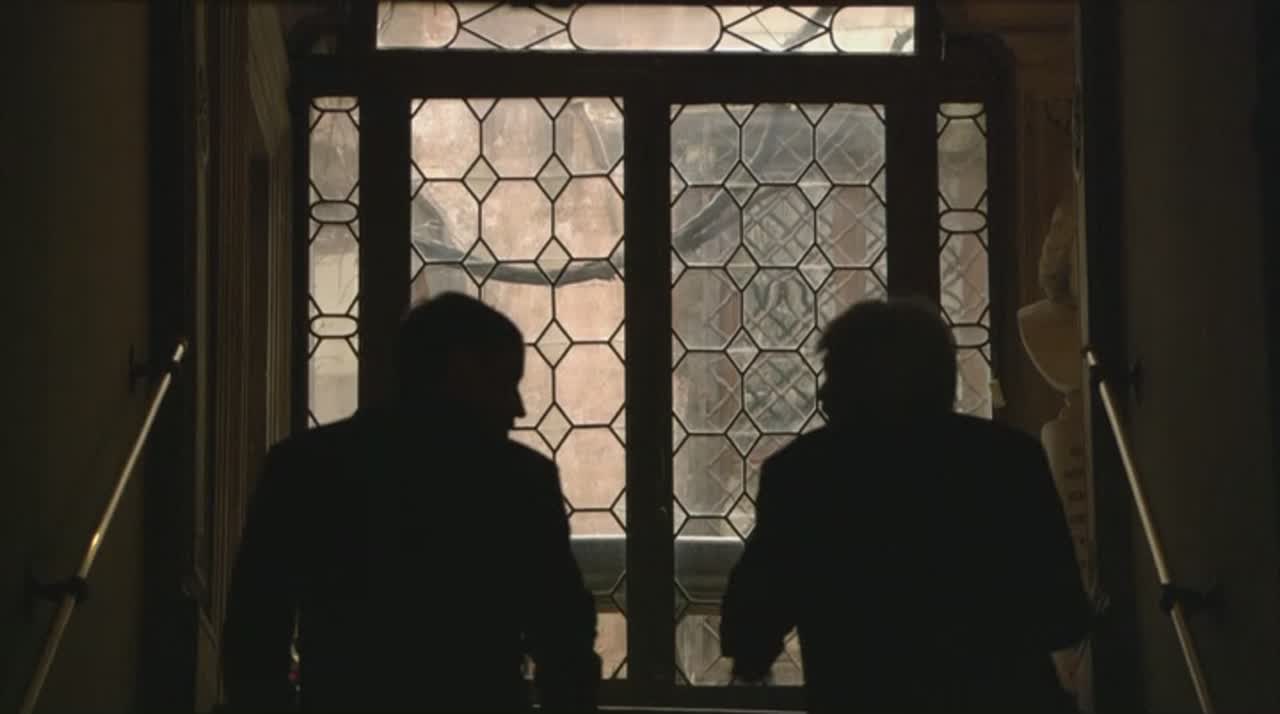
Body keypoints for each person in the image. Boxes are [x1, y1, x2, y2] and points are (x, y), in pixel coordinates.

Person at [222, 292, 600, 712]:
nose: (518, 407)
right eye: (504, 382)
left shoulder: (303, 467)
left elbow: (255, 629)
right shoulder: (521, 480)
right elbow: (563, 638)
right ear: (460, 371)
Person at [720, 298, 1091, 713]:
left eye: (834, 375)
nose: (823, 393)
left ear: (863, 382)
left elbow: (752, 620)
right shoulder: (1010, 461)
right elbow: (1062, 617)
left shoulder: (802, 474)